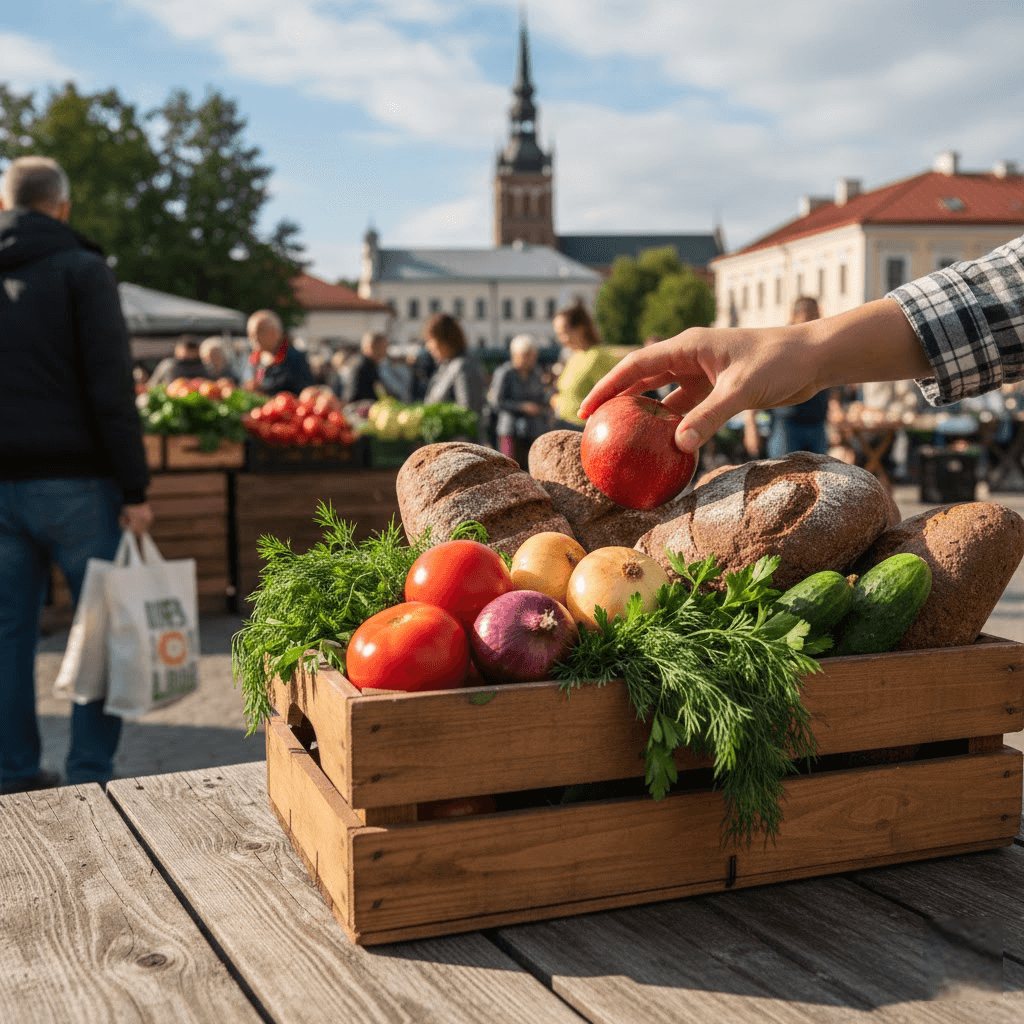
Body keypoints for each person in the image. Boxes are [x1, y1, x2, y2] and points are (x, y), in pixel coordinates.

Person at [578, 233, 1024, 454]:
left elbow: (1004, 296)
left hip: (809, 421)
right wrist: (811, 352)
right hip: (788, 423)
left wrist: (813, 353)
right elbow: (1007, 294)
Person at [0, 155, 153, 793]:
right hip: (78, 484)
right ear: (62, 205)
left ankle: (11, 770)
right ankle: (90, 771)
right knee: (102, 624)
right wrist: (136, 487)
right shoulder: (82, 270)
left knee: (7, 634)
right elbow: (111, 388)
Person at [742, 297, 832, 459]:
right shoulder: (780, 345)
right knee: (784, 478)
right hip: (786, 425)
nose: (815, 321)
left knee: (819, 480)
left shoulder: (821, 344)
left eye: (817, 316)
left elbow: (830, 381)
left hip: (817, 424)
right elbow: (757, 382)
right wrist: (751, 424)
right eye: (810, 316)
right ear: (794, 316)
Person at [550, 298, 619, 430]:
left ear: (580, 328)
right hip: (564, 424)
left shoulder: (598, 356)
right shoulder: (574, 356)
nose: (560, 339)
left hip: (584, 428)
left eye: (564, 333)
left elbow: (610, 398)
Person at [487, 333, 551, 468]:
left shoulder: (536, 372)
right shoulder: (505, 373)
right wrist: (521, 407)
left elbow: (542, 397)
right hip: (510, 430)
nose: (531, 359)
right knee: (511, 469)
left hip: (533, 430)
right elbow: (496, 402)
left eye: (533, 356)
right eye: (527, 355)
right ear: (515, 355)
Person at [422, 313, 486, 419]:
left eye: (431, 341)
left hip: (459, 435)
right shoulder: (446, 366)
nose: (429, 347)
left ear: (446, 341)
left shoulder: (463, 367)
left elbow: (468, 411)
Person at [246, 309, 314, 396]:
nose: (254, 337)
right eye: (250, 333)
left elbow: (305, 393)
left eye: (259, 331)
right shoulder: (252, 359)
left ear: (276, 332)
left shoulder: (295, 358)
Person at [342, 332, 389, 403]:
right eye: (382, 347)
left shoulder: (370, 364)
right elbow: (353, 395)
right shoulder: (362, 365)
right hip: (360, 409)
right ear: (370, 347)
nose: (385, 351)